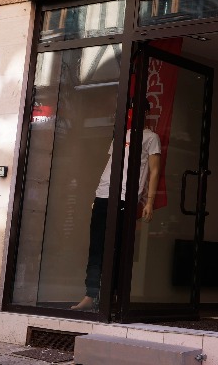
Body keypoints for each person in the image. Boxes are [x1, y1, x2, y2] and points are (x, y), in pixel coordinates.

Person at [71, 101, 162, 310]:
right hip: (104, 194)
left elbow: (155, 170)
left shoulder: (151, 138)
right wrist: (98, 195)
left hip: (126, 197)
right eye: (131, 111)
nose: (134, 114)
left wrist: (149, 201)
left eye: (138, 110)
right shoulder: (121, 135)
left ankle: (112, 297)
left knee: (118, 247)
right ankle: (90, 294)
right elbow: (111, 165)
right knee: (97, 246)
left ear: (146, 113)